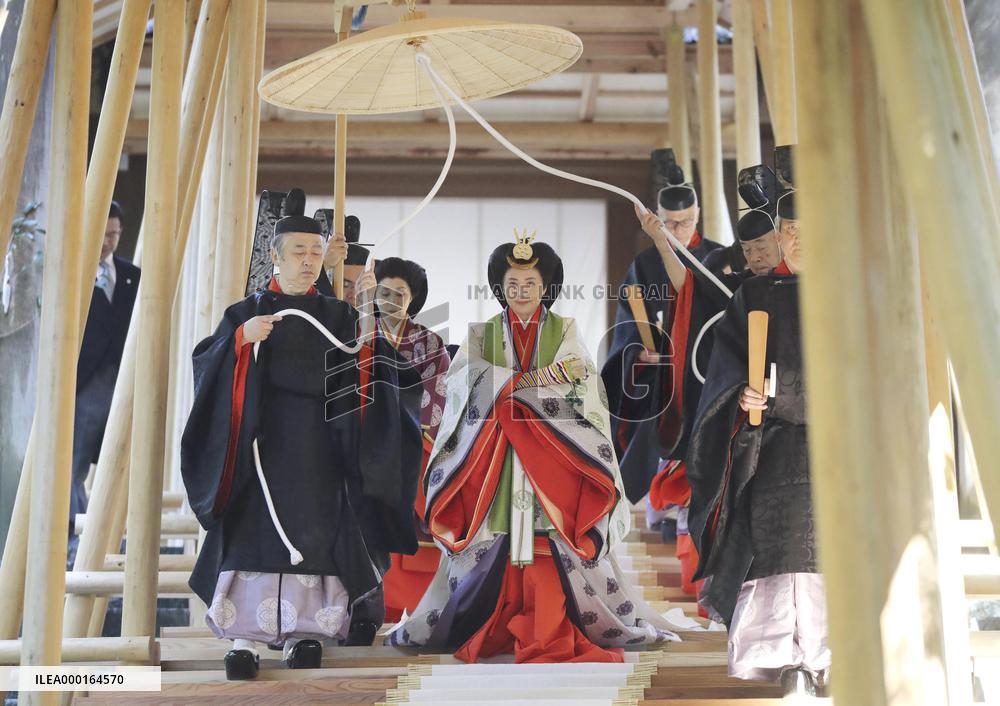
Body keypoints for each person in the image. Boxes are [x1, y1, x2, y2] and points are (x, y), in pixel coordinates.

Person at [387, 231, 684, 663]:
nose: (521, 292)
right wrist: (522, 385)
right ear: (499, 288)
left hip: (554, 457)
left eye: (530, 285)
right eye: (512, 285)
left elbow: (582, 384)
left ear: (546, 288)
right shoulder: (482, 332)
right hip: (496, 458)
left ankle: (553, 620)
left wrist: (514, 389)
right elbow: (460, 383)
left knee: (553, 542)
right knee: (498, 542)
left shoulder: (565, 330)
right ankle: (491, 621)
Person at [181, 208, 423, 680]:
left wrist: (370, 321)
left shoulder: (340, 314)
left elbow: (372, 370)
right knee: (253, 535)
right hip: (260, 446)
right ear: (275, 256)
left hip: (319, 447)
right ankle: (245, 638)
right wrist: (239, 344)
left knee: (316, 538)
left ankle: (306, 633)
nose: (309, 261)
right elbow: (207, 367)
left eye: (316, 253)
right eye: (298, 252)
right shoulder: (245, 313)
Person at [686, 188, 829, 695]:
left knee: (831, 549)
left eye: (807, 232)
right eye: (788, 231)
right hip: (773, 445)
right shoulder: (754, 295)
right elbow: (724, 369)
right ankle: (784, 657)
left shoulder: (849, 292)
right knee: (777, 544)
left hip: (840, 451)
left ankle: (832, 653)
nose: (796, 241)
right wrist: (740, 396)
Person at [373, 257, 452, 622]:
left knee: (412, 527)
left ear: (413, 299)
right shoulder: (359, 334)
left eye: (399, 293)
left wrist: (407, 428)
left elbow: (439, 394)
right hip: (368, 449)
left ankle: (419, 614)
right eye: (383, 290)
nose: (390, 299)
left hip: (412, 448)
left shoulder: (429, 342)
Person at [71, 201, 140, 534]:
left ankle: (113, 533)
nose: (107, 242)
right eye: (102, 234)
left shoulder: (132, 275)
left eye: (114, 234)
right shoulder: (74, 273)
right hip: (85, 381)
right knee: (75, 461)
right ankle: (75, 532)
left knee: (123, 460)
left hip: (125, 379)